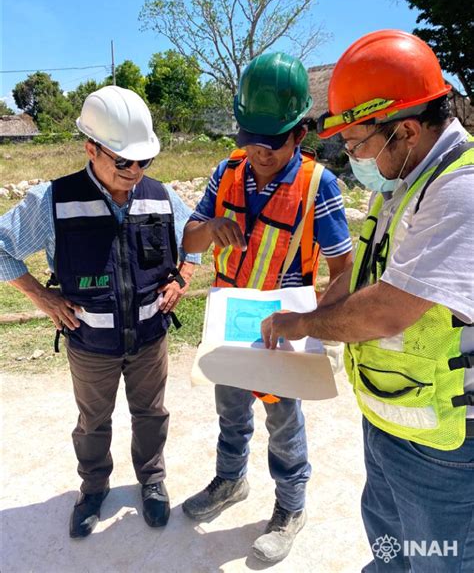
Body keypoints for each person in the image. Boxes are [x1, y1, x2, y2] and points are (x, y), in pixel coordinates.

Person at [261, 30, 474, 572]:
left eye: (357, 143)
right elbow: (360, 275)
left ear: (403, 129)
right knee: (388, 539)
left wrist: (305, 322)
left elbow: (387, 309)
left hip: (442, 443)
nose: (354, 156)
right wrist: (312, 320)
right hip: (393, 413)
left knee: (437, 557)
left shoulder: (459, 191)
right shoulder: (406, 180)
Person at [0, 86, 199, 538]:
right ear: (91, 147)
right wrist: (41, 297)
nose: (134, 171)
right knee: (93, 421)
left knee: (151, 413)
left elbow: (196, 237)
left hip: (150, 338)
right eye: (122, 160)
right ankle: (93, 489)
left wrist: (183, 277)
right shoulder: (54, 200)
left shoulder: (161, 196)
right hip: (91, 344)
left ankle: (152, 481)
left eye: (143, 161)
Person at [181, 52, 352, 563]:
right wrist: (209, 229)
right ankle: (231, 481)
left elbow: (343, 271)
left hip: (284, 329)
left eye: (272, 141)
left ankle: (290, 507)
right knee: (230, 410)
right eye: (249, 137)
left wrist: (318, 328)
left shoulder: (317, 186)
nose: (259, 150)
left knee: (283, 423)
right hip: (230, 322)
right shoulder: (226, 172)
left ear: (300, 133)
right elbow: (189, 240)